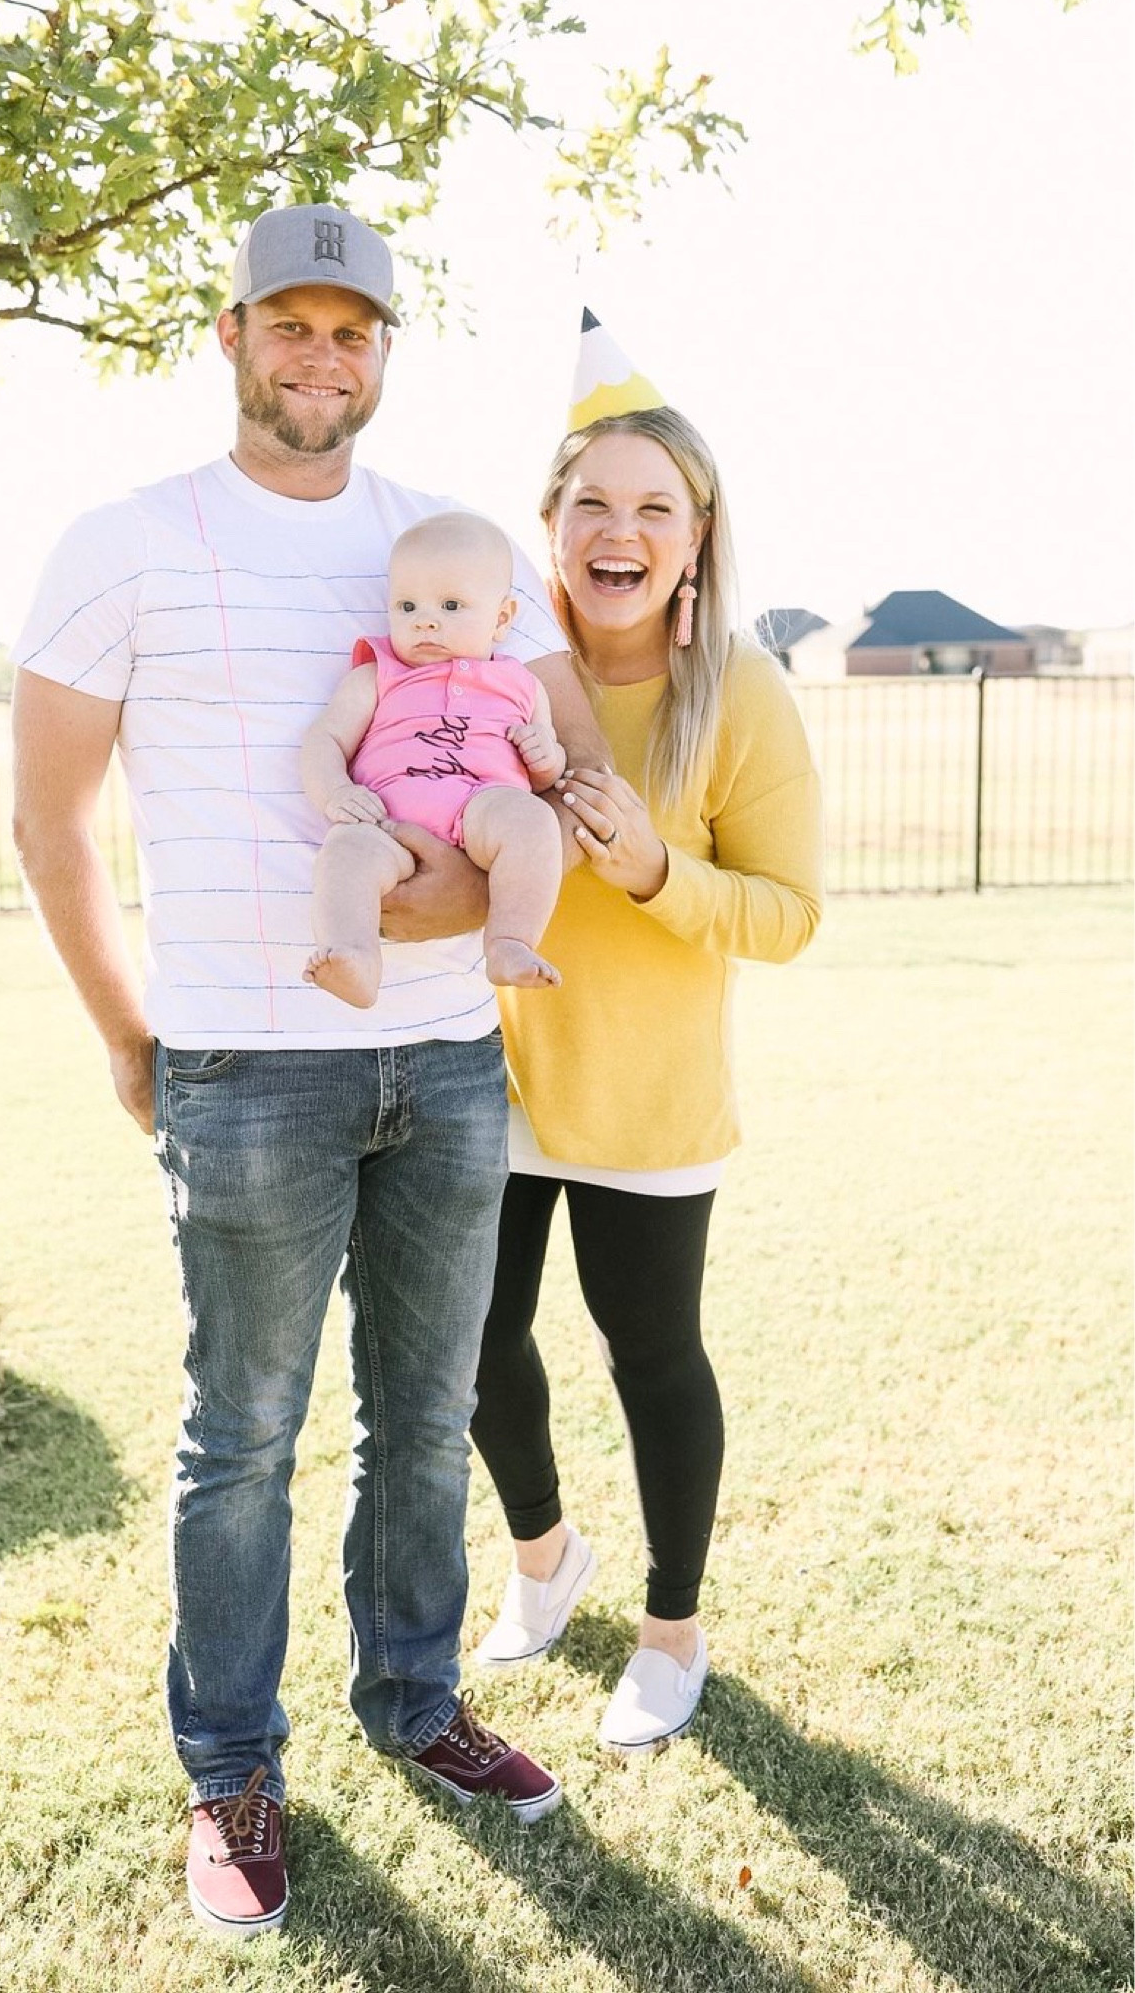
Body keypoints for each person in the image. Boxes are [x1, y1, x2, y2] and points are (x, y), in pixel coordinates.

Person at [10, 205, 604, 1941]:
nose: (319, 357)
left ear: (382, 352)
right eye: (292, 325)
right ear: (231, 334)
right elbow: (49, 821)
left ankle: (413, 1705)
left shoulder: (435, 539)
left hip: (440, 1061)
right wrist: (128, 1037)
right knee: (240, 1437)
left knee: (422, 1423)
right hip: (244, 1061)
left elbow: (540, 738)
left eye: (352, 331)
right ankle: (229, 1767)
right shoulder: (124, 541)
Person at [468, 314, 824, 1755]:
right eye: (591, 503)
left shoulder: (738, 691)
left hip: (650, 1098)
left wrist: (657, 876)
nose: (621, 530)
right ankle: (548, 1561)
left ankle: (672, 1627)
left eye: (653, 507)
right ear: (549, 526)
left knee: (649, 1354)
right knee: (474, 1348)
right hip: (485, 1081)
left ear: (696, 536)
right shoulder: (491, 671)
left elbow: (792, 913)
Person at [301, 510, 566, 1007]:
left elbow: (548, 766)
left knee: (534, 821)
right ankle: (354, 956)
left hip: (481, 808)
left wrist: (544, 754)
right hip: (386, 819)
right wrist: (336, 793)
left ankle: (510, 941)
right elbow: (325, 741)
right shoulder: (377, 674)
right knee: (344, 854)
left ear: (502, 618)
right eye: (406, 605)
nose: (425, 620)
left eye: (450, 605)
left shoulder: (523, 685)